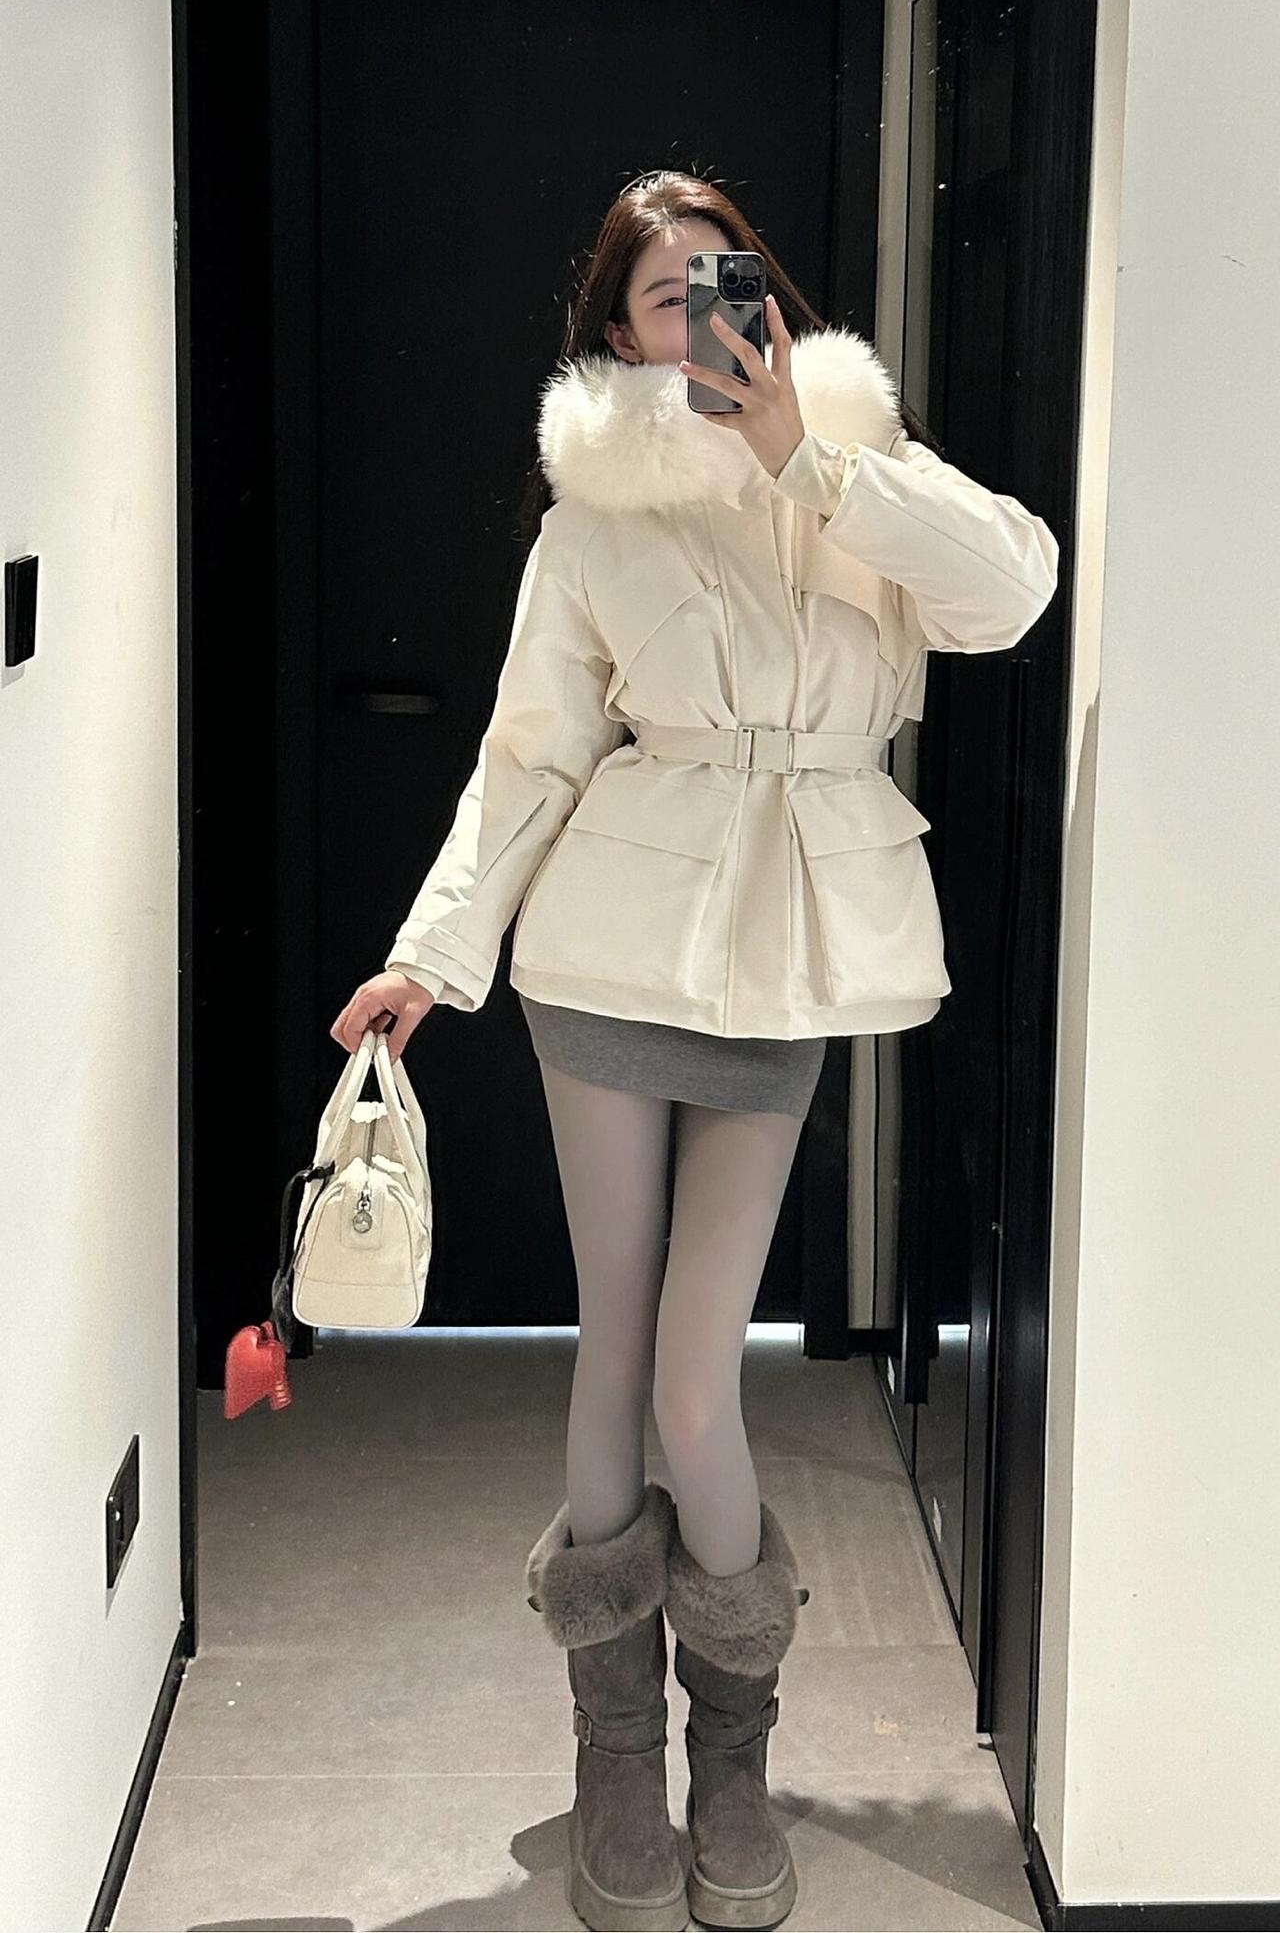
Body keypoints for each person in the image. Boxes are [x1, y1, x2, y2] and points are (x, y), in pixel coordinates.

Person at [331, 170, 1059, 1932]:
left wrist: (810, 455)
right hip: (608, 951)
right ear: (618, 332)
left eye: (730, 282)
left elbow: (1014, 591)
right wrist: (433, 955)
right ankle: (614, 1756)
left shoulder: (859, 466)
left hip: (785, 959)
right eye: (668, 295)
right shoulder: (594, 521)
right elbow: (529, 759)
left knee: (691, 1379)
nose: (708, 316)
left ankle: (733, 1751)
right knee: (615, 1351)